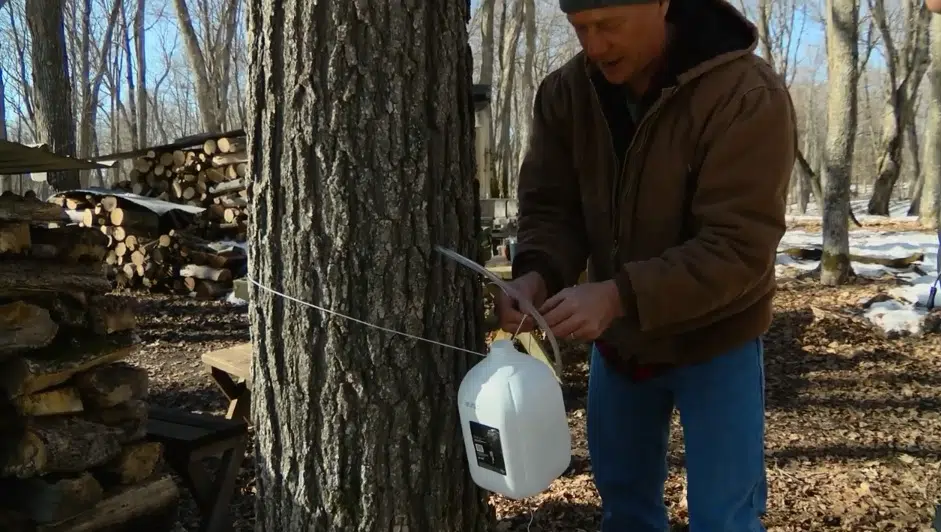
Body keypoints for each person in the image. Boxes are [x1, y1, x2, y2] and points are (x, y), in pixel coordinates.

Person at [493, 0, 797, 530]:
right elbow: (550, 209)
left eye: (609, 25)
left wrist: (617, 294)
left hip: (717, 339)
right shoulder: (567, 94)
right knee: (626, 510)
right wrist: (537, 272)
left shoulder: (746, 93)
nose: (595, 46)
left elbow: (738, 246)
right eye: (581, 28)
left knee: (725, 518)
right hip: (621, 346)